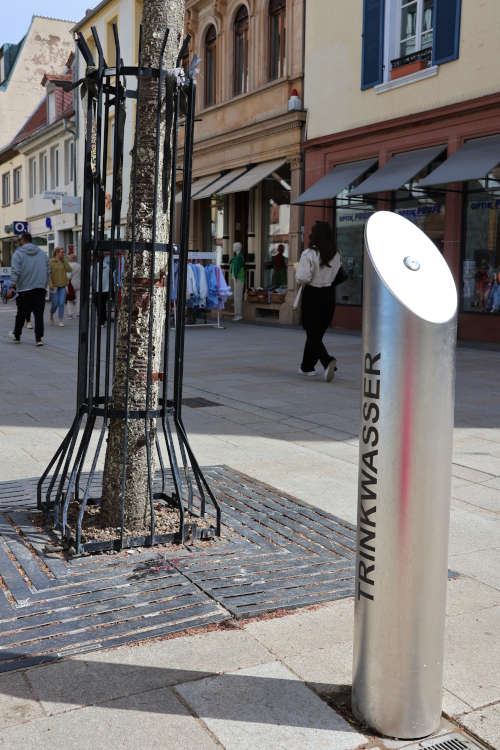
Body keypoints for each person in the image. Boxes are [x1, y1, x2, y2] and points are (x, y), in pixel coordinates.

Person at [295, 221, 342, 382]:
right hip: (329, 295)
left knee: (311, 332)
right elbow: (337, 275)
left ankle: (327, 360)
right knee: (316, 333)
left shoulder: (309, 253)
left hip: (312, 294)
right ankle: (306, 366)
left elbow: (303, 277)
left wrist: (297, 273)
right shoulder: (336, 254)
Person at [8, 232, 49, 346]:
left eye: (19, 240)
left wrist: (12, 286)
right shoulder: (42, 254)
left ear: (22, 241)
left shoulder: (18, 254)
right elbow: (47, 270)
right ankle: (38, 339)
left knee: (21, 313)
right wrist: (44, 285)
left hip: (24, 289)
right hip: (40, 289)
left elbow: (15, 271)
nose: (19, 243)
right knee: (39, 314)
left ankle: (17, 336)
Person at [49, 247, 72, 326]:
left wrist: (64, 260)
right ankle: (51, 314)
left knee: (61, 303)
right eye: (62, 252)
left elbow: (69, 269)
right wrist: (50, 284)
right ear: (57, 253)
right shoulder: (51, 262)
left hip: (62, 286)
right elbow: (49, 274)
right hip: (54, 286)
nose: (63, 254)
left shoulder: (63, 261)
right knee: (55, 304)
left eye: (63, 252)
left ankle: (60, 320)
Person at [230, 242, 245, 321]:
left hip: (238, 278)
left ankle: (238, 314)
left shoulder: (239, 257)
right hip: (236, 278)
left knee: (238, 296)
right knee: (236, 296)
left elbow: (237, 268)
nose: (233, 248)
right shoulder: (237, 257)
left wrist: (235, 276)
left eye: (234, 246)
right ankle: (237, 314)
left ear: (237, 248)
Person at [67, 252, 81, 318]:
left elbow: (68, 276)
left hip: (70, 284)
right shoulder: (79, 266)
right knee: (78, 299)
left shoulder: (68, 265)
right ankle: (78, 313)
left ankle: (70, 313)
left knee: (70, 299)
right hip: (78, 283)